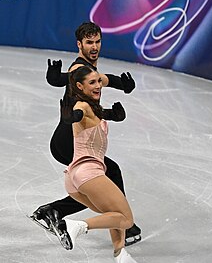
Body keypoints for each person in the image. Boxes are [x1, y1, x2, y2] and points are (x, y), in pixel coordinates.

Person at [29, 22, 142, 247]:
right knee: (101, 177)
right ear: (79, 44)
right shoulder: (78, 68)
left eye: (97, 41)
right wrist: (53, 77)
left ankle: (56, 211)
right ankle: (123, 223)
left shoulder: (91, 72)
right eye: (89, 42)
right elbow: (64, 78)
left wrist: (124, 85)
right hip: (68, 139)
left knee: (101, 178)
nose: (94, 46)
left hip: (71, 138)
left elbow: (105, 78)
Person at [56, 65, 137, 262]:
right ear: (79, 86)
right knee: (126, 219)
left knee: (114, 214)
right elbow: (78, 114)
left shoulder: (93, 108)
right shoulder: (81, 106)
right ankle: (77, 226)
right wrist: (69, 118)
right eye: (92, 82)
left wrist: (114, 116)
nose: (98, 85)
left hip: (74, 177)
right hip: (88, 173)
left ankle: (120, 254)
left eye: (99, 81)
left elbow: (97, 114)